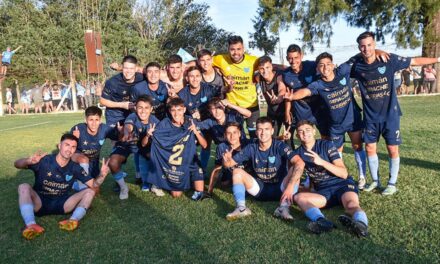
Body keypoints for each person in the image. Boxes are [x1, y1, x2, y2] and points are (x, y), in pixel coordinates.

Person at [351, 31, 440, 195]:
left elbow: (414, 61)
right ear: (359, 48)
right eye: (363, 46)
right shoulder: (356, 65)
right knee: (370, 147)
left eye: (370, 45)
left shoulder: (389, 60)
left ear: (374, 44)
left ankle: (392, 183)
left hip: (390, 115)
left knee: (392, 149)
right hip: (370, 117)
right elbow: (339, 70)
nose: (366, 49)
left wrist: (438, 59)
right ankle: (375, 181)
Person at [283, 52, 367, 189]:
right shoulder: (318, 84)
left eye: (328, 64)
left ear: (333, 65)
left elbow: (357, 56)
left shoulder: (343, 71)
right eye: (321, 65)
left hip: (353, 120)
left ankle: (362, 177)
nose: (325, 67)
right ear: (317, 69)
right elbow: (305, 92)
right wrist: (292, 97)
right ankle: (338, 177)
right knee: (336, 152)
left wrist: (380, 52)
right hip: (335, 124)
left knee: (357, 146)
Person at [15, 133, 110, 240]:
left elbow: (93, 185)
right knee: (23, 186)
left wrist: (102, 175)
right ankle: (31, 224)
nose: (70, 149)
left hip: (63, 205)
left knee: (90, 191)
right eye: (67, 145)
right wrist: (28, 160)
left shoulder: (75, 168)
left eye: (73, 147)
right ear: (59, 146)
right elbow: (17, 164)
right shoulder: (44, 161)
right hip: (39, 203)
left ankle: (73, 220)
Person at [286, 120, 368, 237]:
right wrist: (300, 188)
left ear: (314, 132)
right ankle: (322, 221)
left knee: (351, 206)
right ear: (297, 135)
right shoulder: (298, 154)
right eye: (301, 131)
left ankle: (361, 225)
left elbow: (344, 174)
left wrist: (321, 162)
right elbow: (299, 174)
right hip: (323, 192)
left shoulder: (326, 145)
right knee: (299, 197)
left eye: (308, 130)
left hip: (342, 185)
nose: (305, 133)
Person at [222, 117, 298, 220]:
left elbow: (300, 163)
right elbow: (229, 164)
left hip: (281, 189)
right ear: (256, 132)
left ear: (272, 131)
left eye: (266, 129)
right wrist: (226, 161)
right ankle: (241, 209)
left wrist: (290, 187)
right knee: (237, 171)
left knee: (296, 168)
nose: (263, 132)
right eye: (260, 129)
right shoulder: (251, 148)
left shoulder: (280, 145)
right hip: (259, 190)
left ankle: (283, 208)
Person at [146, 98, 207, 199]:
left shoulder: (191, 122)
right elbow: (155, 142)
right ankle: (159, 182)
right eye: (173, 110)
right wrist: (150, 135)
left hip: (189, 160)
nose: (176, 113)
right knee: (176, 195)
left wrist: (196, 132)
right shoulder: (164, 123)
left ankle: (190, 178)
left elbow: (204, 145)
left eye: (179, 110)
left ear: (184, 110)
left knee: (199, 192)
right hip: (173, 161)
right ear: (170, 111)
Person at [100, 55, 145, 187]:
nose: (128, 71)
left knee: (137, 141)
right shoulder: (112, 82)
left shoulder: (141, 78)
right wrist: (123, 105)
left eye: (131, 68)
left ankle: (139, 174)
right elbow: (102, 101)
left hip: (133, 114)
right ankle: (118, 177)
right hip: (115, 115)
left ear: (136, 69)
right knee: (118, 144)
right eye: (125, 68)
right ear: (122, 68)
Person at [108, 96, 159, 199]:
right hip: (128, 143)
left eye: (146, 107)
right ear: (135, 108)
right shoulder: (132, 116)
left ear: (151, 109)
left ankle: (155, 183)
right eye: (140, 107)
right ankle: (123, 187)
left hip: (144, 145)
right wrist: (126, 133)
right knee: (112, 162)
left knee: (159, 157)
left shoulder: (155, 121)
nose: (143, 111)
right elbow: (128, 126)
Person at [213, 35, 260, 138]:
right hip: (232, 106)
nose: (236, 53)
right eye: (232, 49)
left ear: (243, 49)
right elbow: (204, 61)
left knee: (255, 138)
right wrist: (215, 67)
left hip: (252, 105)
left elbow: (269, 65)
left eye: (239, 49)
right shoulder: (221, 59)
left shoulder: (253, 60)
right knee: (234, 137)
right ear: (228, 49)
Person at [282, 44, 330, 146]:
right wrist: (286, 112)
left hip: (318, 108)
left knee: (326, 137)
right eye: (290, 58)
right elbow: (288, 95)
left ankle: (325, 157)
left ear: (301, 56)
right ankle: (306, 159)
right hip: (301, 109)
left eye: (296, 57)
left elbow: (326, 68)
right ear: (286, 58)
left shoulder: (312, 66)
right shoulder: (286, 75)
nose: (293, 61)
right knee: (305, 138)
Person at [70, 106, 118, 191]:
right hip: (78, 159)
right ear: (86, 120)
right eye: (91, 120)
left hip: (93, 162)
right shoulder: (77, 129)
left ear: (100, 120)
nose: (94, 123)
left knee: (96, 190)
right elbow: (68, 148)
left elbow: (117, 139)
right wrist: (74, 139)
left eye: (96, 120)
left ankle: (76, 184)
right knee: (84, 159)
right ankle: (81, 186)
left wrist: (121, 133)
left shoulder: (104, 129)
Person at [206, 122, 251, 196]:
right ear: (225, 135)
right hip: (231, 174)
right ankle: (228, 179)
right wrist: (209, 192)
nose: (232, 136)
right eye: (229, 133)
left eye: (234, 132)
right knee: (224, 183)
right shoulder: (222, 147)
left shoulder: (249, 144)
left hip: (247, 174)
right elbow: (217, 169)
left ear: (240, 134)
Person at [256, 55, 287, 136]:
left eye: (267, 67)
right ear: (258, 69)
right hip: (271, 113)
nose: (265, 71)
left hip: (285, 112)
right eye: (262, 68)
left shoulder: (278, 76)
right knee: (271, 137)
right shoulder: (258, 77)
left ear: (272, 67)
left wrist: (278, 98)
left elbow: (282, 89)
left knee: (288, 138)